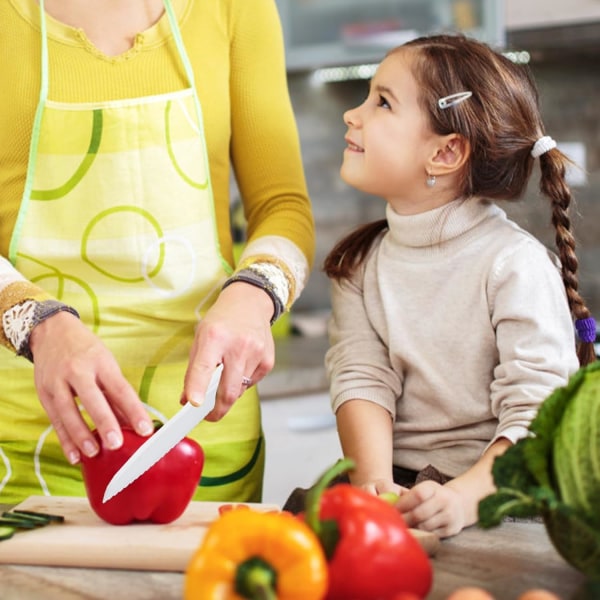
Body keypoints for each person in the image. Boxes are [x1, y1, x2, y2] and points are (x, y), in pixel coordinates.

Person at [0, 0, 314, 505]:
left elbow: (284, 207)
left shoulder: (236, 9)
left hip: (198, 435)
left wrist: (256, 294)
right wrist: (36, 322)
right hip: (23, 435)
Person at [321, 34, 596, 538]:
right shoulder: (360, 264)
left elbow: (538, 410)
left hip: (502, 503)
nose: (352, 115)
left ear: (445, 153)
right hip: (405, 499)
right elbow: (361, 376)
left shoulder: (513, 265)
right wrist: (374, 487)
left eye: (382, 102)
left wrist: (464, 499)